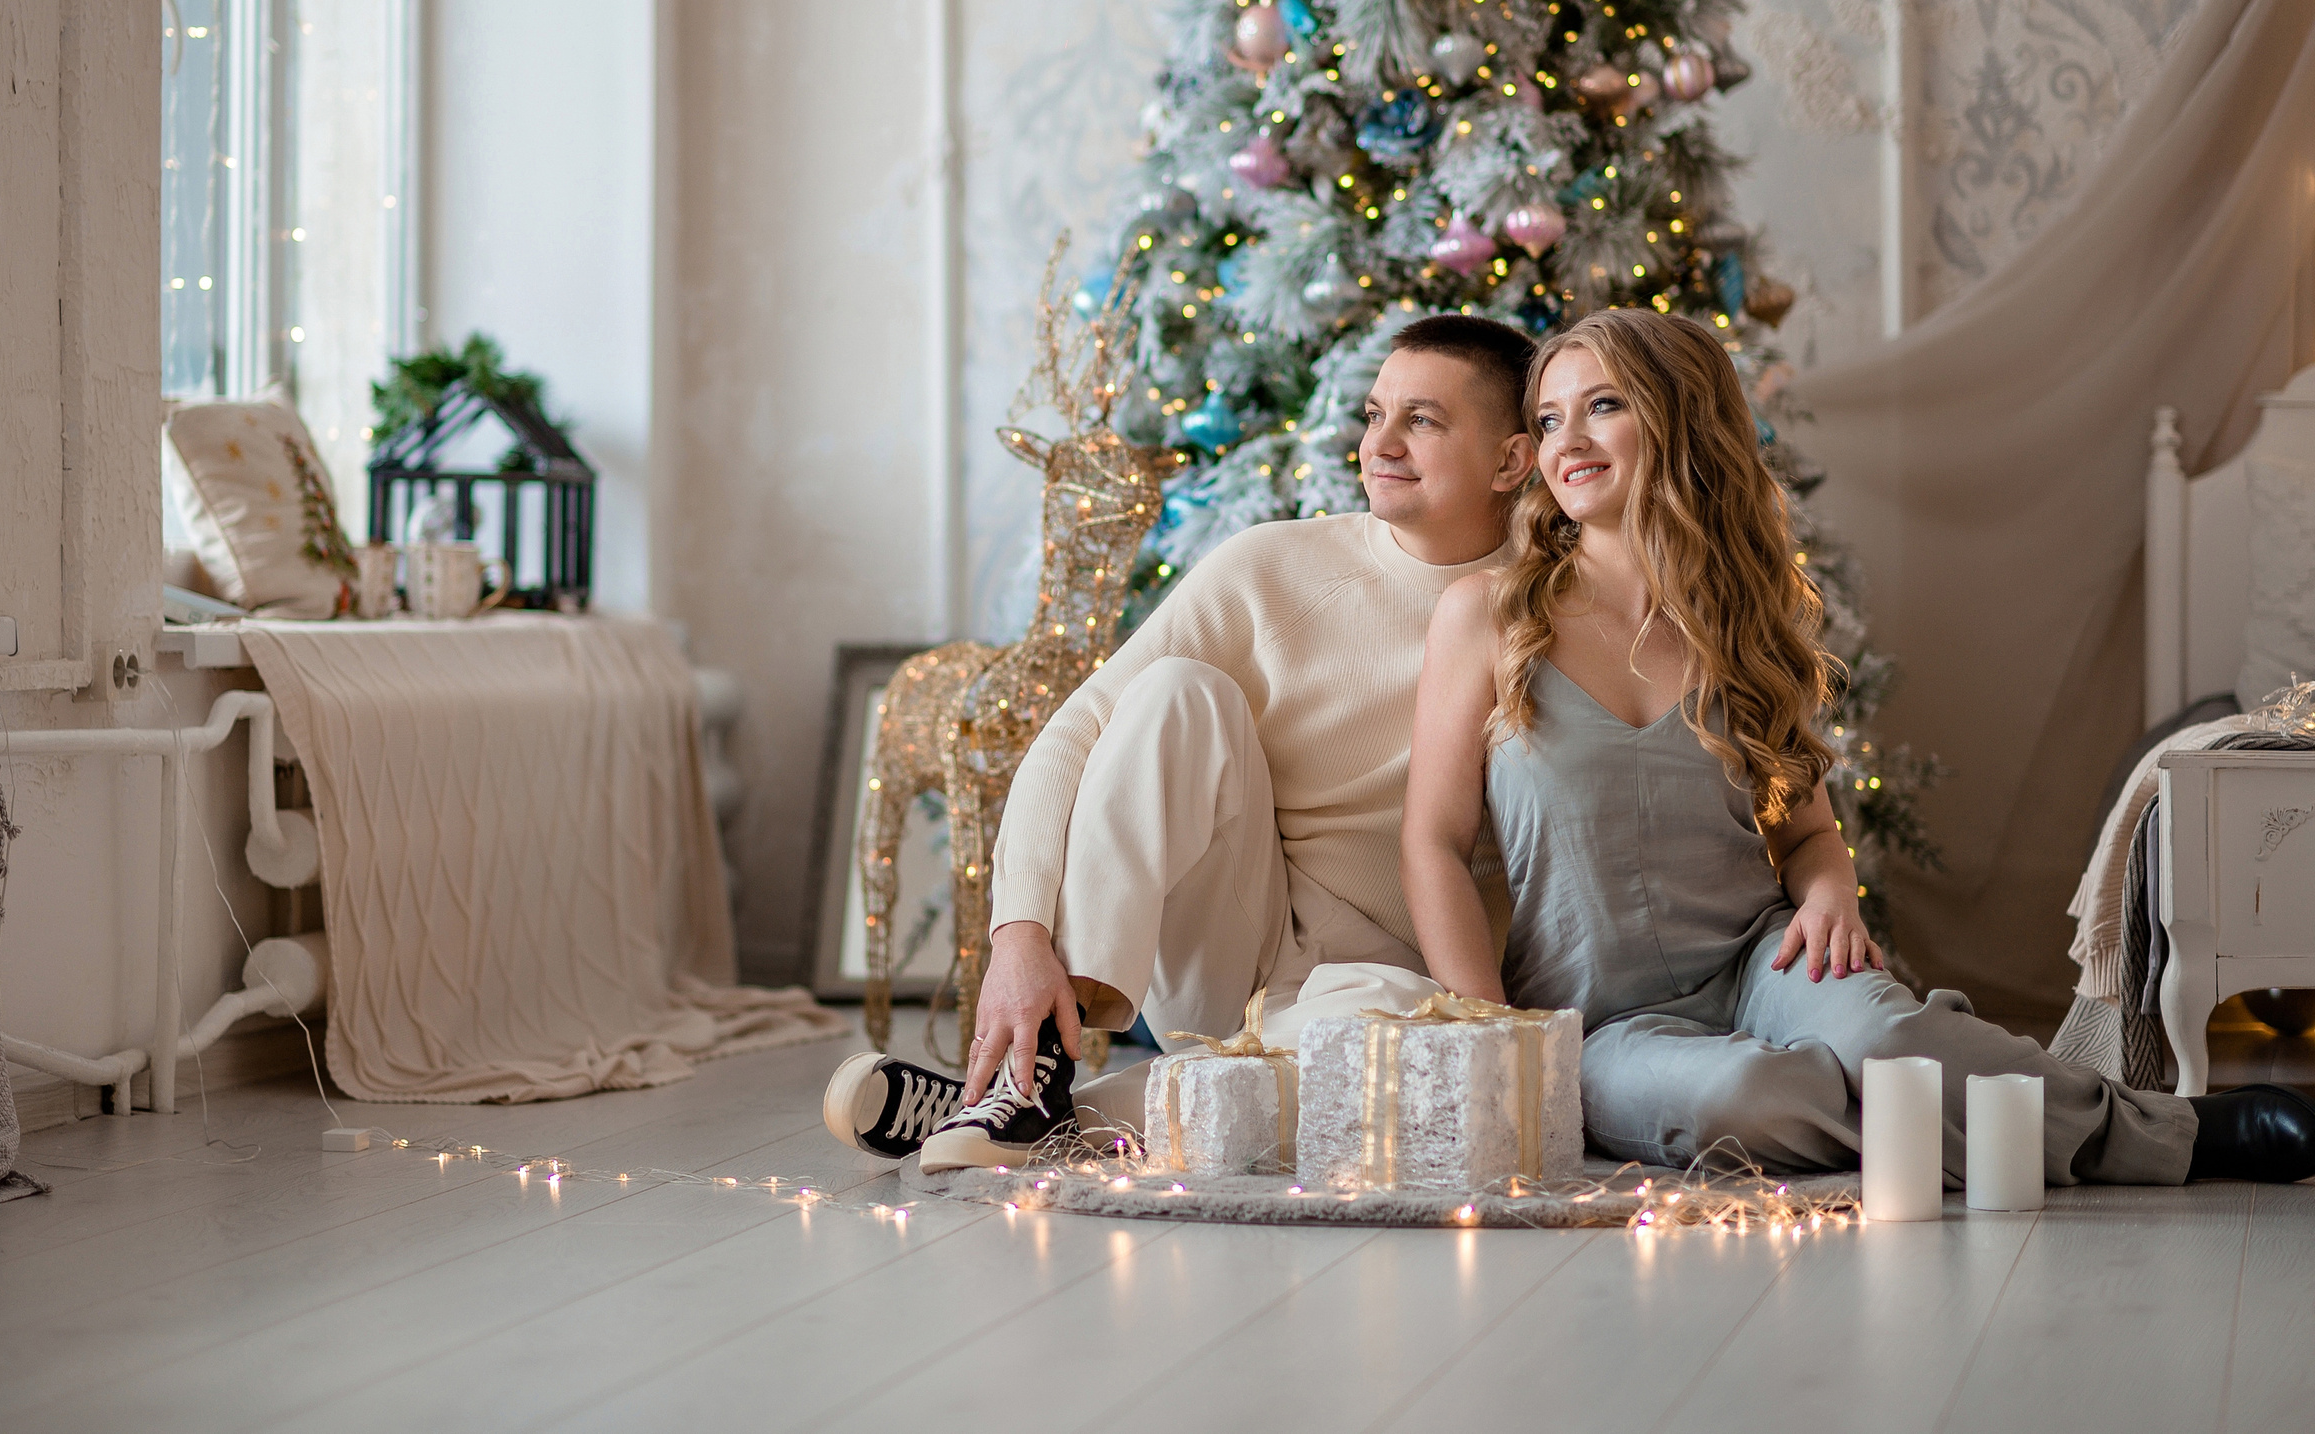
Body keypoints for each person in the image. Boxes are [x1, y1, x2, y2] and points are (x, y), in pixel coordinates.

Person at [1398, 307, 2315, 1186]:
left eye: (1604, 405)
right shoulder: (1488, 615)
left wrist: (1833, 893)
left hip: (1765, 964)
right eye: (1549, 418)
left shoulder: (1736, 622)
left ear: (1680, 425)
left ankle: (2182, 1135)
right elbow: (1433, 841)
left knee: (1886, 1041)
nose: (1568, 440)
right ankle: (1986, 1117)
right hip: (1603, 1021)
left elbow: (1804, 836)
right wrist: (1496, 1035)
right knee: (1755, 1098)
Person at [820, 315, 1538, 1170]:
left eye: (1422, 420)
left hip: (1406, 983)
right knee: (1175, 693)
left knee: (1380, 1056)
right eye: (1374, 414)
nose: (1381, 442)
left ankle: (1034, 1115)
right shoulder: (1270, 566)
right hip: (1239, 948)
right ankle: (1043, 1058)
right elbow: (1071, 734)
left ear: (1511, 460)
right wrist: (1017, 937)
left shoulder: (1552, 605)